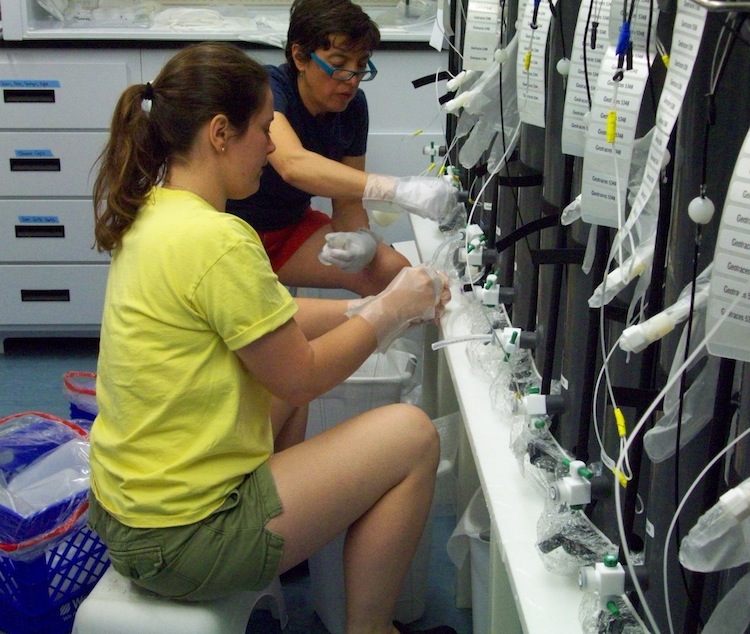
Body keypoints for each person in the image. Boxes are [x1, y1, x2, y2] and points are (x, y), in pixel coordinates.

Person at [88, 41, 456, 634]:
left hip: (126, 514)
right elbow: (303, 369)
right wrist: (386, 312)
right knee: (411, 437)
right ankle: (369, 628)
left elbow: (273, 320)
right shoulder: (220, 240)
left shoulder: (157, 213)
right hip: (182, 540)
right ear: (219, 133)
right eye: (263, 129)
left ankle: (279, 541)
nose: (270, 146)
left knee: (284, 393)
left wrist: (383, 304)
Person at [226, 0, 460, 297]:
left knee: (395, 275)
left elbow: (348, 204)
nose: (351, 80)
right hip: (234, 233)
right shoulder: (268, 89)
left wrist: (361, 241)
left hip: (289, 231)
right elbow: (292, 164)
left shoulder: (353, 108)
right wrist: (397, 189)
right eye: (338, 66)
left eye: (361, 66)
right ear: (300, 57)